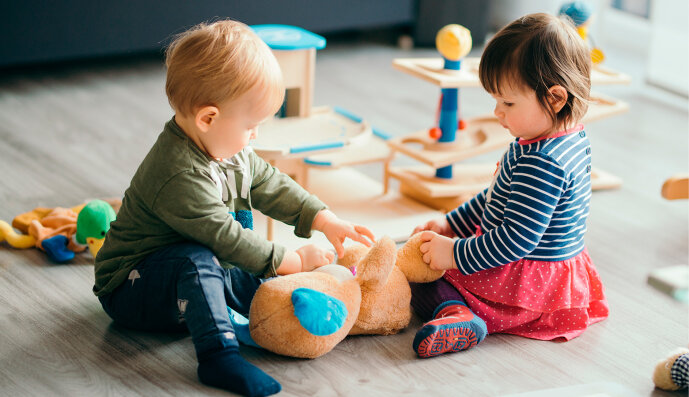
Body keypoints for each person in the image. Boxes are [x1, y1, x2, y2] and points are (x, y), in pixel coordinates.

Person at [93, 20, 374, 396]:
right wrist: (292, 260)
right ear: (208, 118)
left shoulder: (231, 148)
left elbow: (270, 184)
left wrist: (324, 219)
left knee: (249, 268)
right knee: (202, 258)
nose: (255, 135)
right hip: (131, 288)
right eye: (251, 125)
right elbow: (225, 239)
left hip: (196, 270)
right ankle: (218, 357)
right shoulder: (177, 173)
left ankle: (310, 313)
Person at [409, 12, 609, 358]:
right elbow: (497, 196)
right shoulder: (559, 137)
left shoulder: (543, 160)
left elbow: (515, 240)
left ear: (556, 98)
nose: (498, 112)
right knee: (430, 258)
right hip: (551, 278)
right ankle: (462, 308)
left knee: (422, 279)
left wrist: (453, 253)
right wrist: (452, 222)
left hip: (525, 285)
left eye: (508, 102)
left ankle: (459, 314)